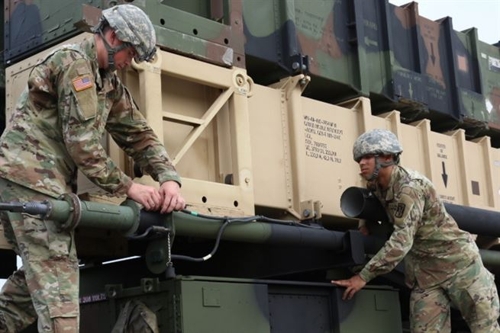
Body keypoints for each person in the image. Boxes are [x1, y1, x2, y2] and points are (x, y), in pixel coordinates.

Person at [0, 4, 185, 332]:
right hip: (32, 181)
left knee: (33, 283)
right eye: (130, 53)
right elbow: (82, 146)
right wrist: (131, 188)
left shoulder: (107, 81)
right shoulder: (77, 65)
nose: (130, 63)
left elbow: (137, 132)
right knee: (59, 285)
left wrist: (169, 178)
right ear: (113, 37)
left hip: (31, 182)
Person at [332, 129, 500, 333]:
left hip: (460, 268)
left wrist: (363, 277)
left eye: (368, 157)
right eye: (359, 158)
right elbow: (373, 203)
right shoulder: (376, 184)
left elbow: (401, 242)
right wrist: (364, 224)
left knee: (485, 329)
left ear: (387, 157)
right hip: (425, 276)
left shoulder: (410, 188)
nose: (362, 163)